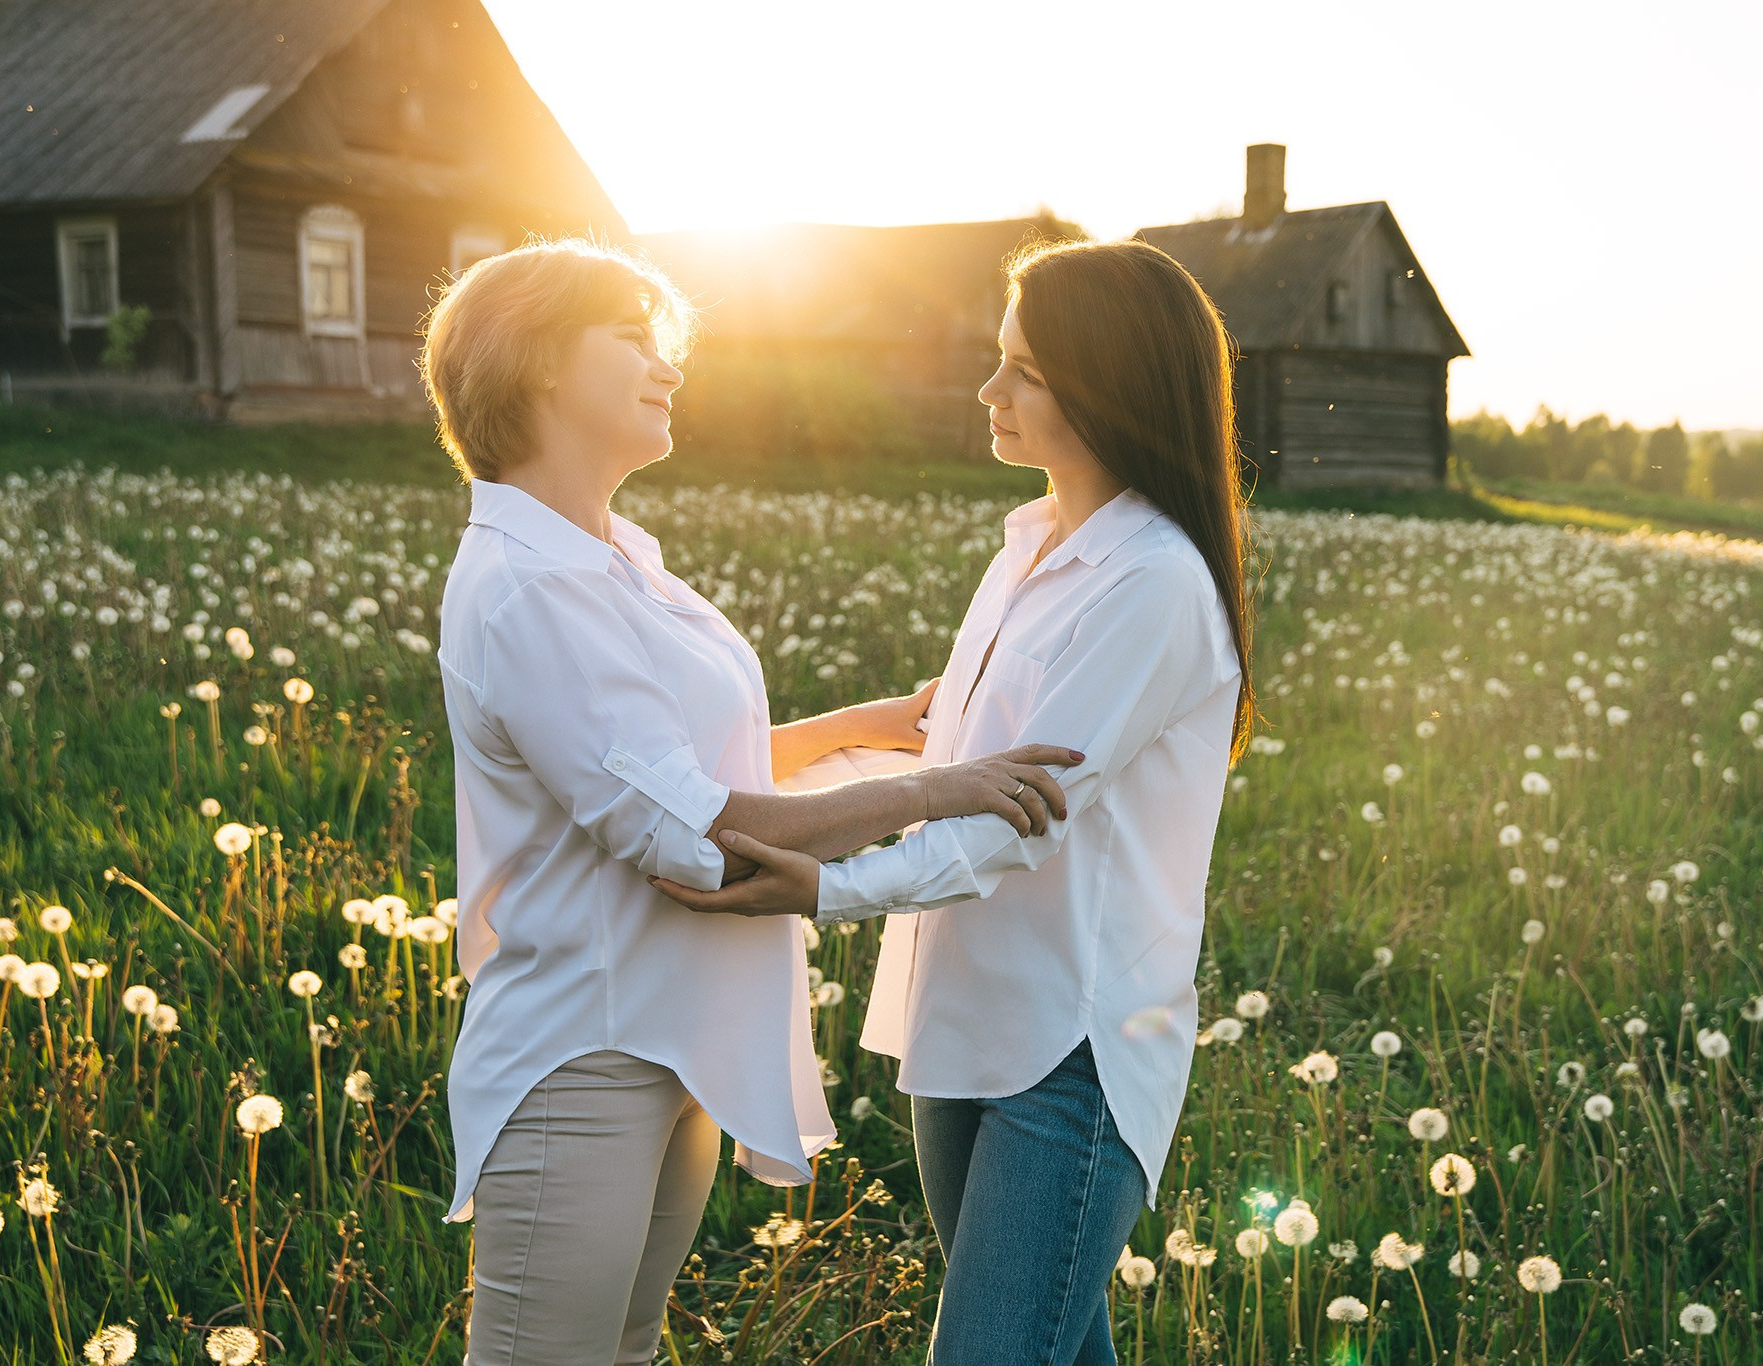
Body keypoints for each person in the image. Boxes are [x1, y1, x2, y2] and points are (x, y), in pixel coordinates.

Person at [418, 236, 1080, 1365]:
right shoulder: (529, 586)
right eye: (629, 335)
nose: (665, 363)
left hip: (665, 1040)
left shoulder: (609, 557)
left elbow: (670, 765)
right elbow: (688, 835)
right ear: (530, 361)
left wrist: (872, 725)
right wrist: (938, 789)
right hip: (584, 1049)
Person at [658, 238, 1255, 1365]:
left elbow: (1008, 825)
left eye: (1022, 370)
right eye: (999, 362)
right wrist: (753, 806)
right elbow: (950, 757)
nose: (989, 391)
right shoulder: (1028, 549)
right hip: (960, 1019)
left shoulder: (1152, 584)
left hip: (1068, 1051)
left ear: (1108, 381)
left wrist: (825, 888)